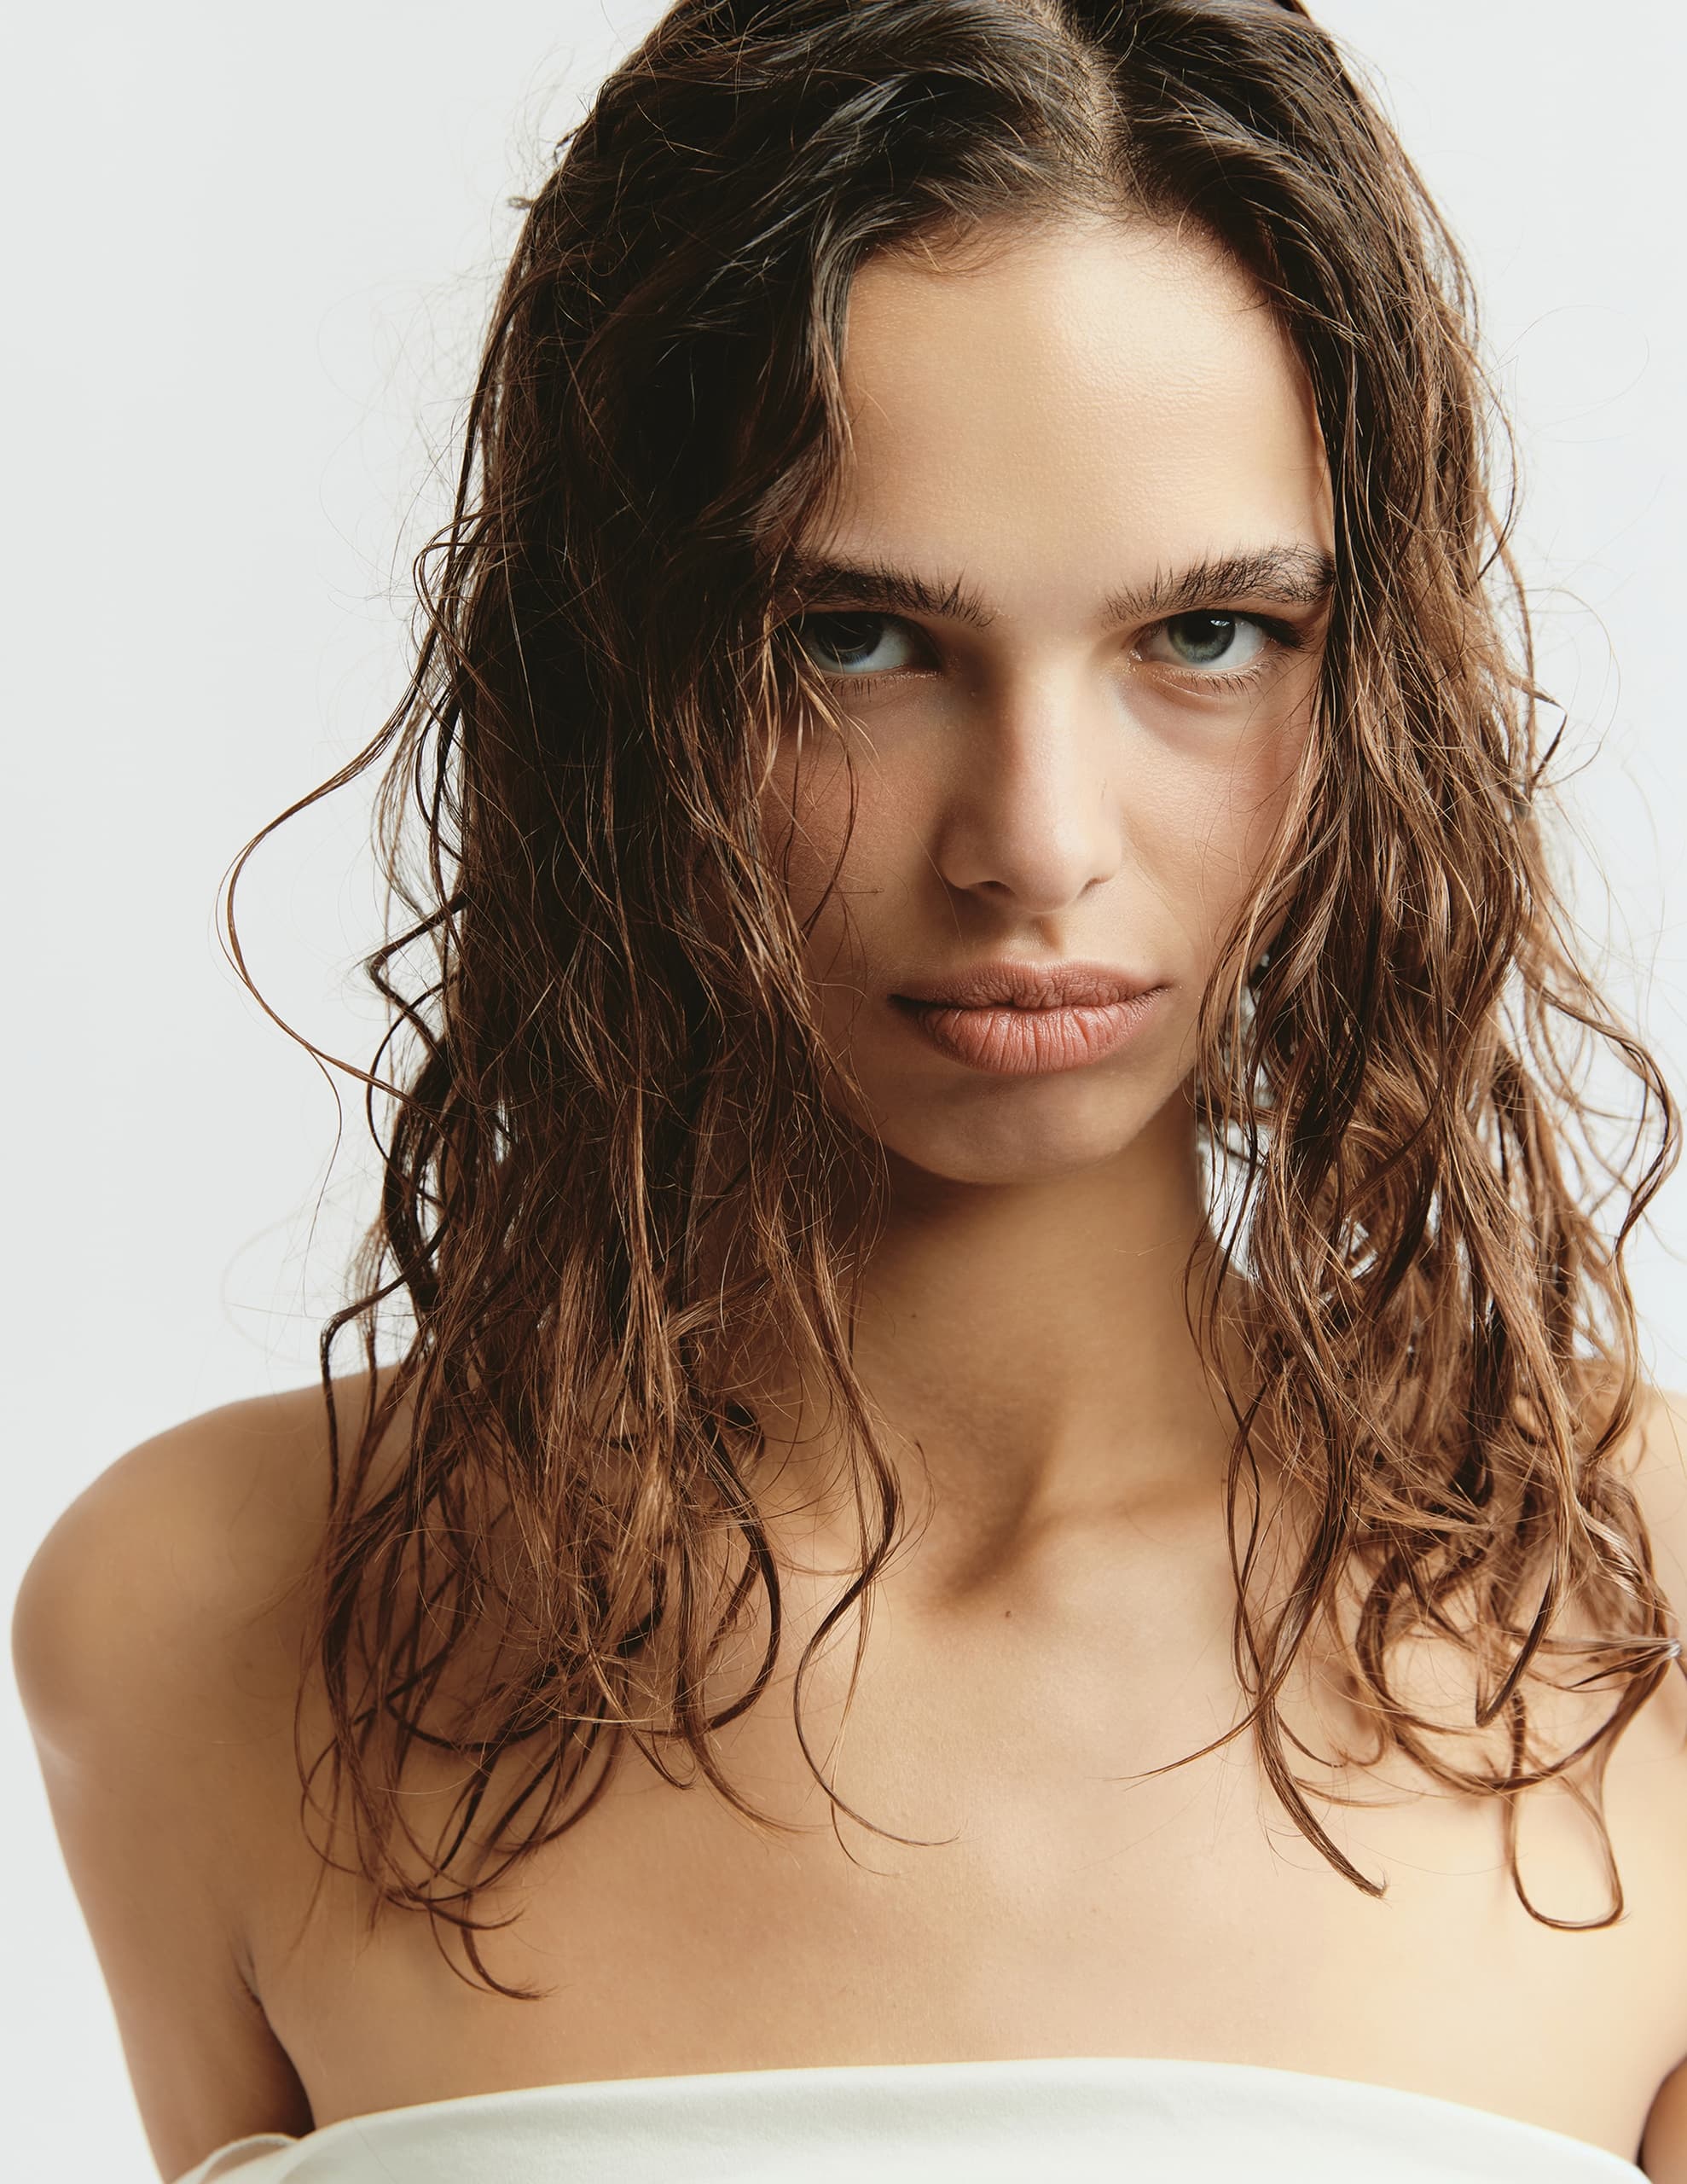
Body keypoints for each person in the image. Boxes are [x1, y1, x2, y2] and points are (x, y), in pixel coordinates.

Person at [13, 1, 1687, 2178]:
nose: (1036, 840)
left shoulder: (1639, 1609)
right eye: (854, 636)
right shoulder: (205, 1615)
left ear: (1370, 683)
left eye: (1204, 636)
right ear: (609, 670)